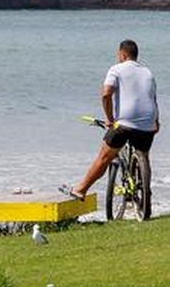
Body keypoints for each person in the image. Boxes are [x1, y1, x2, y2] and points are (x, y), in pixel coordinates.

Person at [66, 39, 159, 200]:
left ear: (122, 54)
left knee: (104, 156)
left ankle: (80, 189)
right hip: (148, 123)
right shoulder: (148, 72)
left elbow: (106, 94)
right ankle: (145, 195)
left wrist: (110, 119)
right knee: (143, 155)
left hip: (124, 123)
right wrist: (156, 122)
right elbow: (152, 98)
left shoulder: (116, 69)